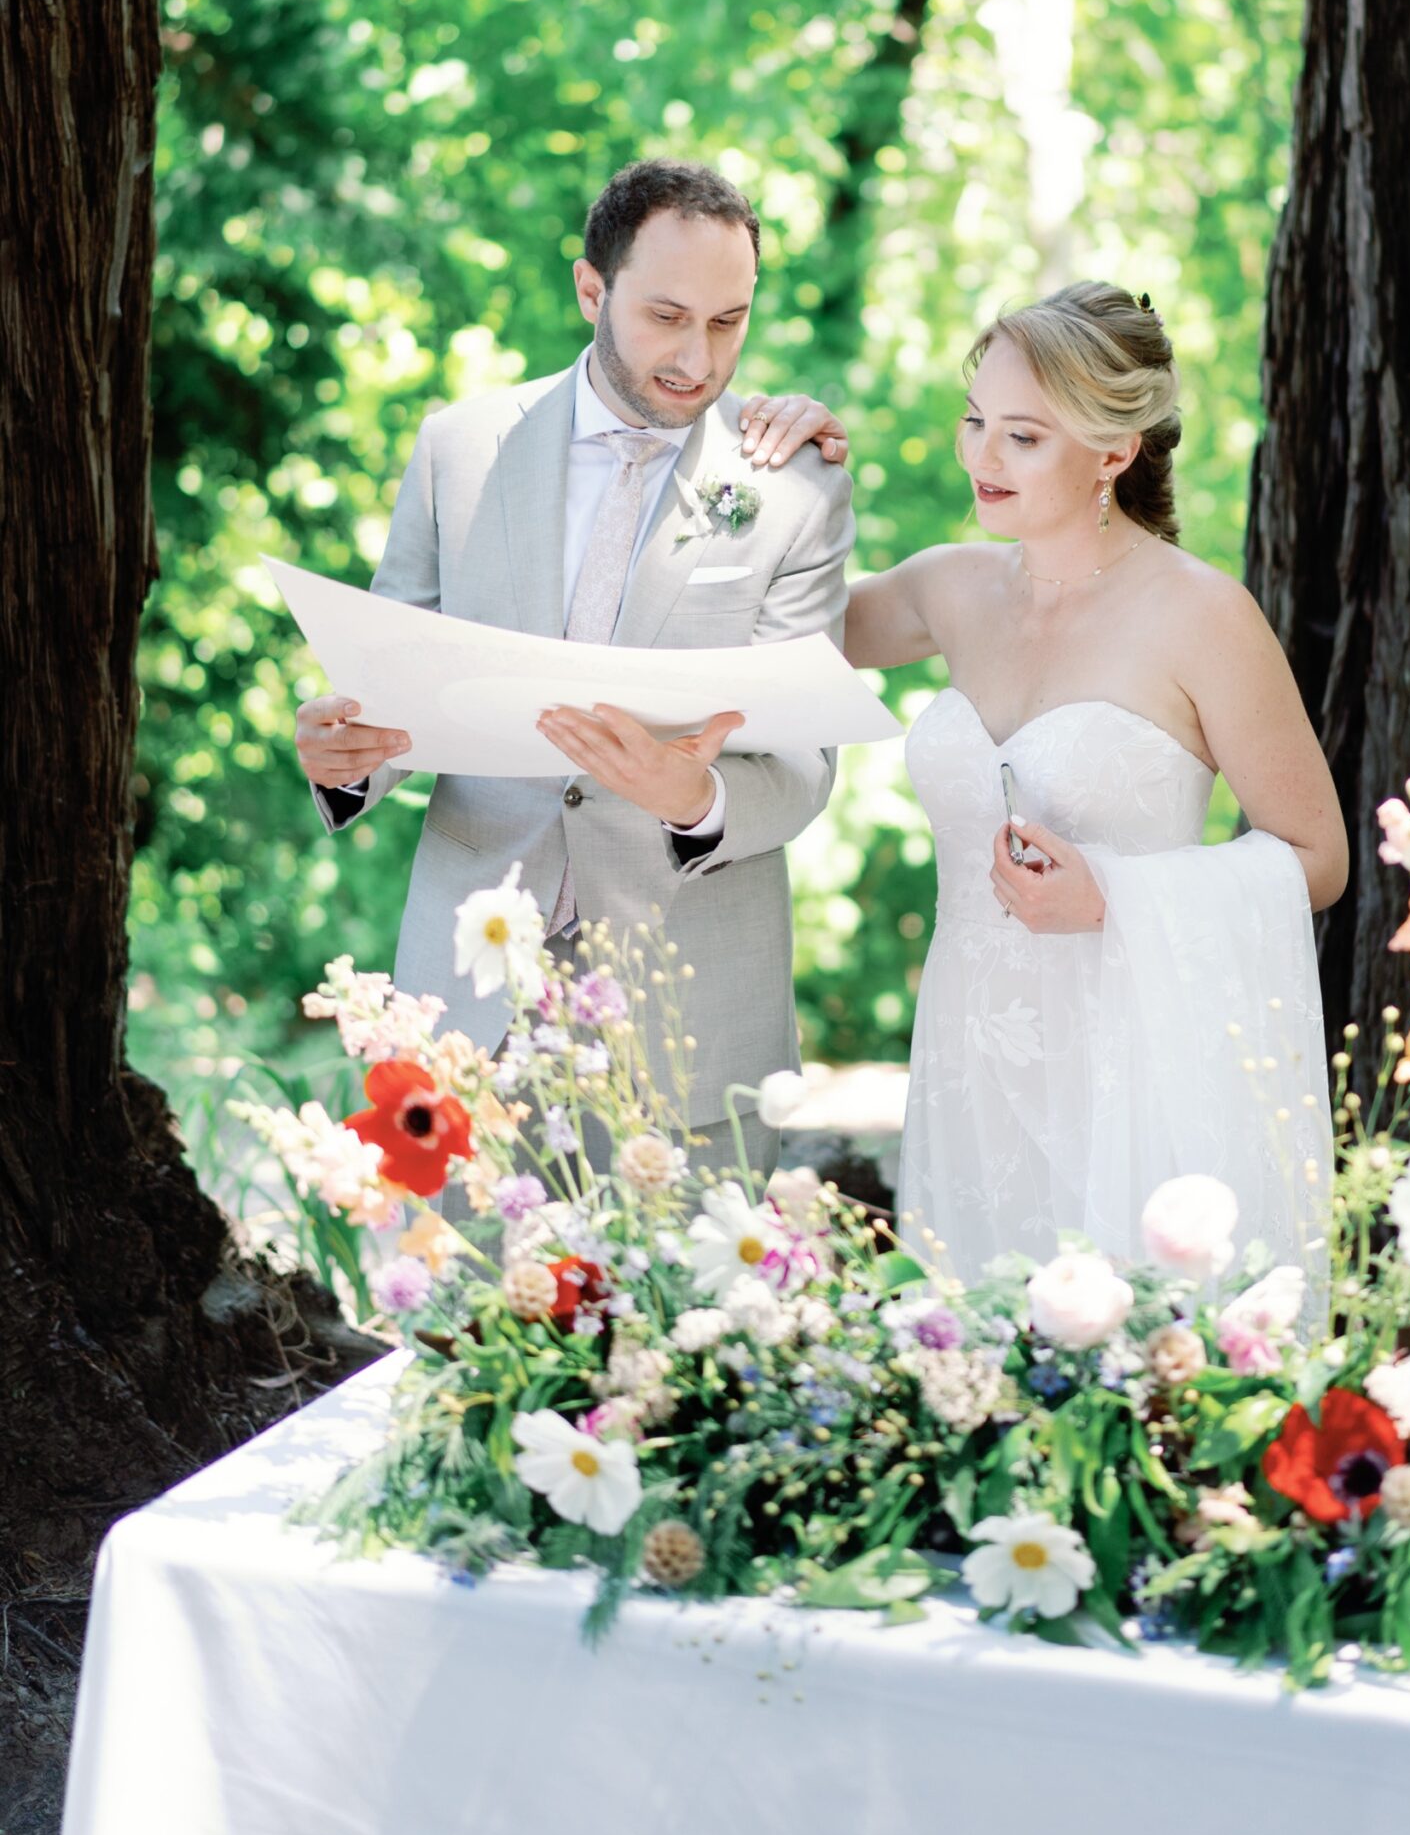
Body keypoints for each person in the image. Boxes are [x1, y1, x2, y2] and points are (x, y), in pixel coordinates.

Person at [743, 281, 1345, 1278]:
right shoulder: (950, 587)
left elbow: (1316, 860)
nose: (981, 456)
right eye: (974, 420)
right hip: (968, 1063)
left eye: (1021, 436)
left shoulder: (1202, 616)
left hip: (1131, 1063)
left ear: (1113, 451)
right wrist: (786, 470)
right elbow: (773, 620)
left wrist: (1115, 893)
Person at [291, 159, 853, 1173]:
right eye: (666, 315)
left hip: (687, 1018)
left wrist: (698, 797)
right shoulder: (456, 450)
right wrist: (343, 754)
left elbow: (806, 764)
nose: (696, 356)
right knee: (462, 1326)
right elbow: (389, 690)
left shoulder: (795, 488)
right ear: (591, 291)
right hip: (466, 1007)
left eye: (729, 322)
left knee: (673, 1330)